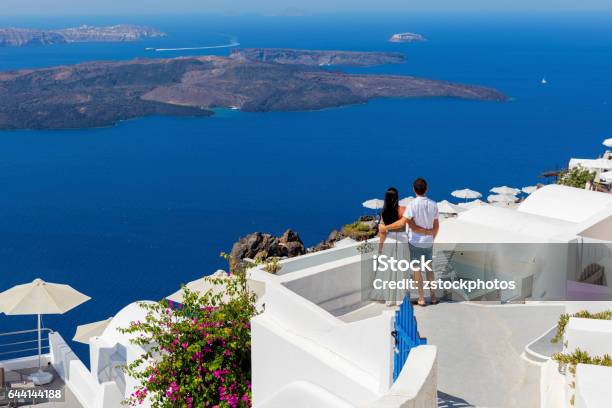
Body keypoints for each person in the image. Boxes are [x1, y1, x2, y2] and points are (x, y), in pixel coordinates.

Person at [379, 178, 439, 306]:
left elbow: (403, 222)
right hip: (428, 242)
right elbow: (436, 226)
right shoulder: (434, 204)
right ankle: (433, 297)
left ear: (413, 189)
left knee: (416, 269)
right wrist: (430, 236)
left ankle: (422, 298)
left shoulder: (412, 205)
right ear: (426, 189)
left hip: (415, 242)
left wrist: (385, 228)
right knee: (429, 269)